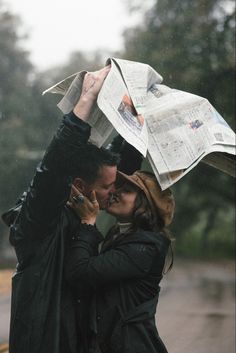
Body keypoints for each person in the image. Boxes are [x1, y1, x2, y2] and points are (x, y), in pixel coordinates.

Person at [1, 66, 138, 353]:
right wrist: (86, 99)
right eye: (109, 187)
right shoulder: (39, 218)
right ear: (79, 184)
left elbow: (116, 169)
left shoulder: (81, 208)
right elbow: (53, 168)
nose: (115, 192)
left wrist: (134, 122)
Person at [65, 169, 175, 353]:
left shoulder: (145, 247)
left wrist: (87, 221)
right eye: (119, 186)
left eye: (127, 190)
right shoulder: (120, 235)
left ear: (145, 204)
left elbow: (80, 272)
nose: (115, 192)